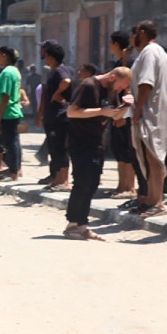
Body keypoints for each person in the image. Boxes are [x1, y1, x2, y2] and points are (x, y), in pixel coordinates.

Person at [62, 68, 129, 240]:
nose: (120, 90)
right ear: (112, 77)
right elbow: (72, 112)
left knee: (92, 184)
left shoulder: (112, 90)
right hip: (80, 142)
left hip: (96, 142)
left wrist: (127, 105)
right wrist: (101, 111)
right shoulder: (89, 85)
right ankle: (72, 225)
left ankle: (82, 225)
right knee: (82, 182)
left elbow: (115, 117)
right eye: (121, 86)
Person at [127, 21, 167, 217]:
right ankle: (150, 199)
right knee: (149, 156)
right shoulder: (156, 52)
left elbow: (146, 84)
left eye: (133, 34)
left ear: (141, 33)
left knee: (155, 157)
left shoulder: (151, 52)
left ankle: (158, 202)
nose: (131, 39)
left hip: (151, 112)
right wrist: (165, 95)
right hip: (156, 109)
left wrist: (139, 110)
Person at [106, 31, 139, 200]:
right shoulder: (119, 63)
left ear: (117, 44)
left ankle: (130, 187)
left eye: (111, 43)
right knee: (119, 150)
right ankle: (121, 185)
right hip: (117, 113)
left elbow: (128, 90)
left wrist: (123, 115)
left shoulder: (129, 64)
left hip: (125, 113)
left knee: (127, 151)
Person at [37, 41, 73, 190]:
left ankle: (64, 181)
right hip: (53, 116)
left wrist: (57, 93)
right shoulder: (54, 71)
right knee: (54, 150)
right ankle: (58, 179)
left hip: (60, 116)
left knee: (60, 148)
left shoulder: (60, 70)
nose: (45, 58)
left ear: (52, 57)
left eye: (47, 55)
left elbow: (66, 81)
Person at [0, 47, 26, 180]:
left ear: (5, 56)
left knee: (10, 143)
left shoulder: (6, 72)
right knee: (13, 142)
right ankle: (15, 168)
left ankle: (14, 171)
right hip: (12, 111)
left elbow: (5, 95)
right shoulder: (14, 71)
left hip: (8, 112)